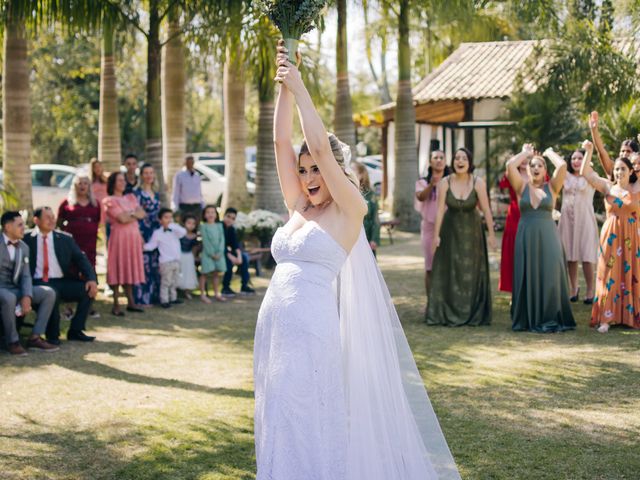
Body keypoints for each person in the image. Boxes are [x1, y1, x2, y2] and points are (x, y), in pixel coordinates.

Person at [253, 41, 459, 480]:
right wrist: (284, 78)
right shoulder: (297, 208)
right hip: (274, 331)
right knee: (278, 417)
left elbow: (322, 151)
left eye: (314, 171)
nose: (308, 177)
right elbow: (279, 139)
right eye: (302, 170)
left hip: (311, 328)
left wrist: (301, 84)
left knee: (308, 417)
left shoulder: (350, 212)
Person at [507, 144, 575, 333]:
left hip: (549, 237)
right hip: (526, 237)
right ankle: (528, 317)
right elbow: (510, 166)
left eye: (540, 166)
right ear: (527, 169)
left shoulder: (552, 187)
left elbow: (562, 166)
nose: (535, 168)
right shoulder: (521, 187)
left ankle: (550, 315)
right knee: (527, 273)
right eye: (532, 165)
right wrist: (525, 153)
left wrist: (550, 153)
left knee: (550, 274)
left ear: (545, 170)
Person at [425, 147, 496, 327]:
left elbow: (486, 210)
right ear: (453, 162)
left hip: (473, 232)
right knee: (451, 269)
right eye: (457, 158)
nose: (460, 161)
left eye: (464, 158)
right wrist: (436, 236)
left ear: (470, 162)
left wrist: (492, 235)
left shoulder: (478, 182)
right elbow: (440, 210)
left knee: (472, 271)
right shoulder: (445, 182)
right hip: (450, 232)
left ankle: (472, 311)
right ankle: (449, 310)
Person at [580, 143, 640, 333]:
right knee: (608, 275)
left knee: (631, 275)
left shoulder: (637, 188)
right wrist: (589, 151)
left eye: (623, 168)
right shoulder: (608, 187)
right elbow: (586, 173)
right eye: (616, 169)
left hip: (632, 238)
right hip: (611, 237)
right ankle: (606, 318)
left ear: (630, 171)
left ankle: (629, 317)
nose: (619, 172)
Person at [25, 207, 99, 343]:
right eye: (47, 217)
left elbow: (81, 259)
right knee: (51, 293)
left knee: (87, 290)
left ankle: (75, 330)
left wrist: (91, 279)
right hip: (38, 282)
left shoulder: (65, 238)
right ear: (36, 220)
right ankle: (52, 336)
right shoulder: (25, 238)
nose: (52, 220)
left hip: (61, 281)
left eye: (53, 217)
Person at [0, 211, 58, 355]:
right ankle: (12, 342)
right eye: (19, 225)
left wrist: (27, 295)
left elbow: (26, 276)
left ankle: (35, 337)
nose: (23, 228)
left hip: (14, 288)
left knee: (48, 293)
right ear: (7, 227)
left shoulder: (24, 247)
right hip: (2, 290)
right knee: (9, 297)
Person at [557, 147, 599, 304]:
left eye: (580, 158)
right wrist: (548, 153)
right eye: (573, 158)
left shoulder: (591, 176)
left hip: (585, 219)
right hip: (567, 220)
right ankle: (573, 288)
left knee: (587, 256)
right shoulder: (565, 176)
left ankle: (590, 290)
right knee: (569, 255)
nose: (576, 161)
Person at [103, 172, 146, 316]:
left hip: (133, 237)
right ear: (113, 183)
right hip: (119, 238)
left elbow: (142, 214)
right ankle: (116, 303)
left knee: (130, 267)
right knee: (117, 266)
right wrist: (133, 213)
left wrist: (130, 214)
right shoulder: (109, 200)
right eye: (119, 180)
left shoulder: (131, 197)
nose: (123, 183)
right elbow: (121, 218)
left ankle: (131, 301)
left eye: (124, 180)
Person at [415, 150, 451, 299]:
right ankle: (431, 303)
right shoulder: (422, 181)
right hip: (429, 227)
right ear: (430, 162)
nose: (439, 160)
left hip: (448, 226)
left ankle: (445, 302)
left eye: (442, 157)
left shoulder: (451, 180)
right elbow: (420, 197)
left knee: (448, 266)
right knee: (430, 267)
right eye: (435, 158)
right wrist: (432, 185)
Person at [143, 208, 186, 309]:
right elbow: (152, 245)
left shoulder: (175, 230)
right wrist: (142, 247)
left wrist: (173, 225)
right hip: (166, 262)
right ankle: (164, 300)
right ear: (160, 220)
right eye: (166, 217)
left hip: (176, 260)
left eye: (170, 217)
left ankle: (173, 298)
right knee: (166, 282)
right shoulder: (158, 233)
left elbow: (183, 232)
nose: (169, 220)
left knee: (175, 281)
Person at [57, 175, 101, 269]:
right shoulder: (66, 202)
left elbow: (98, 220)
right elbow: (59, 222)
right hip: (73, 240)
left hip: (90, 241)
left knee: (89, 263)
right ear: (75, 185)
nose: (82, 186)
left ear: (89, 186)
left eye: (85, 183)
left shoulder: (95, 203)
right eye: (80, 183)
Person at [133, 163, 161, 305]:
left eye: (151, 172)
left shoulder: (157, 194)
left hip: (156, 232)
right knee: (143, 265)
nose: (149, 175)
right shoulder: (137, 194)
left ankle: (155, 296)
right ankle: (142, 298)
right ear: (141, 175)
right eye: (146, 173)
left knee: (155, 264)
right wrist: (139, 235)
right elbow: (136, 216)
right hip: (142, 231)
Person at [589, 111, 640, 175]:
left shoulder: (637, 172)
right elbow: (601, 151)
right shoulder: (614, 169)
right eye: (622, 151)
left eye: (628, 151)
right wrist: (594, 130)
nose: (624, 154)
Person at [221, 208, 255, 296]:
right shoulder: (219, 227)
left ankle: (244, 286)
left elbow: (235, 244)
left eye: (233, 218)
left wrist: (239, 256)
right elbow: (220, 245)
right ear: (224, 216)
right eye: (228, 216)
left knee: (244, 258)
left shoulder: (231, 229)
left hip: (227, 252)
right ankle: (225, 288)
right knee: (228, 263)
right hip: (218, 252)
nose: (230, 220)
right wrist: (230, 256)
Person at [351, 162, 381, 256]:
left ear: (361, 175)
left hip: (367, 236)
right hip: (351, 239)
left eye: (353, 171)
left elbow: (375, 218)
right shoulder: (348, 191)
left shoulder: (370, 194)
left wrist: (374, 239)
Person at [199, 205, 227, 303]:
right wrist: (212, 254)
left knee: (216, 274)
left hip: (219, 253)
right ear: (204, 215)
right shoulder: (203, 226)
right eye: (208, 212)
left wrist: (219, 252)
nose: (210, 214)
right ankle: (202, 294)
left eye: (212, 212)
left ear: (216, 214)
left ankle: (216, 293)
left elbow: (222, 240)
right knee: (204, 273)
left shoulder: (219, 226)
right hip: (208, 254)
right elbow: (206, 241)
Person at [172, 155, 204, 222]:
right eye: (188, 162)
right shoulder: (179, 175)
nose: (190, 164)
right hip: (184, 206)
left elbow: (199, 191)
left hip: (196, 206)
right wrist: (175, 207)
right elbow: (176, 192)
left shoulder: (197, 175)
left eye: (192, 162)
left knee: (196, 225)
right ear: (185, 163)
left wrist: (202, 204)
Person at [177, 214, 199, 299]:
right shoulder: (180, 234)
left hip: (189, 256)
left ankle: (187, 291)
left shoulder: (194, 236)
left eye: (193, 223)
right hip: (180, 255)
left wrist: (194, 257)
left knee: (188, 273)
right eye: (189, 223)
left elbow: (195, 248)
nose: (191, 225)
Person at [89, 157, 108, 225]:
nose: (98, 169)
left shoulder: (107, 179)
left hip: (106, 207)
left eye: (99, 166)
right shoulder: (89, 181)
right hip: (95, 206)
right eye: (95, 167)